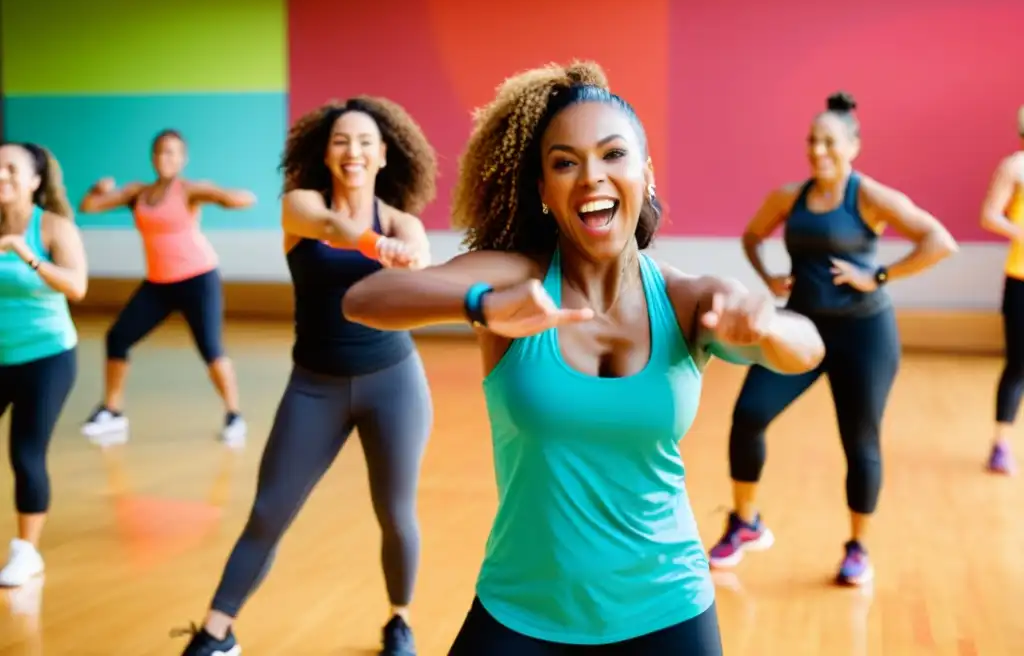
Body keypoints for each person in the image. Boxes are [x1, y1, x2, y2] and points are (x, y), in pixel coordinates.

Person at [341, 62, 826, 655]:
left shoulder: (684, 299)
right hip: (522, 610)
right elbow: (365, 298)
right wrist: (482, 305)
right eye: (565, 162)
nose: (591, 177)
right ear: (544, 192)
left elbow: (807, 349)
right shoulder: (515, 279)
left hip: (667, 606)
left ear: (645, 175)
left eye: (613, 155)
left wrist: (768, 323)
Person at [176, 97, 437, 656]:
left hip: (393, 381)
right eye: (342, 140)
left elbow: (418, 258)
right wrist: (372, 245)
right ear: (325, 151)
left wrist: (409, 255)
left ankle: (399, 621)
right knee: (269, 510)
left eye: (366, 141)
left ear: (385, 155)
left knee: (394, 513)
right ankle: (216, 633)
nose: (354, 152)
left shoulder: (401, 222)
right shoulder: (301, 205)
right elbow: (325, 225)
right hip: (314, 385)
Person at [707, 92, 959, 586]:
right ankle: (744, 522)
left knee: (859, 441)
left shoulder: (869, 196)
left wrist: (880, 276)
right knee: (749, 414)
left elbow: (939, 241)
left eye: (828, 141)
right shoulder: (789, 197)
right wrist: (770, 278)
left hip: (865, 335)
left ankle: (857, 548)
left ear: (853, 147)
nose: (817, 149)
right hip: (798, 328)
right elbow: (752, 236)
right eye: (811, 140)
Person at [77, 130, 256, 444]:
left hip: (199, 278)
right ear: (153, 157)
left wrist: (225, 198)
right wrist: (97, 188)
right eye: (160, 152)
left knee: (211, 348)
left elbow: (240, 198)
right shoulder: (138, 193)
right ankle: (113, 411)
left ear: (182, 158)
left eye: (172, 153)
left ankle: (234, 415)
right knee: (117, 337)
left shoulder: (188, 190)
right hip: (159, 283)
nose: (165, 158)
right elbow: (89, 206)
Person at [0, 142, 88, 587]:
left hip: (46, 356)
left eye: (10, 169)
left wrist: (25, 253)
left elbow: (77, 287)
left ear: (34, 181)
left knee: (25, 452)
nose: (1, 175)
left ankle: (27, 551)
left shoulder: (51, 227)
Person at [978, 103, 1024, 475]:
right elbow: (989, 215)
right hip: (1021, 279)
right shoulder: (1015, 167)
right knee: (1019, 365)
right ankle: (1000, 445)